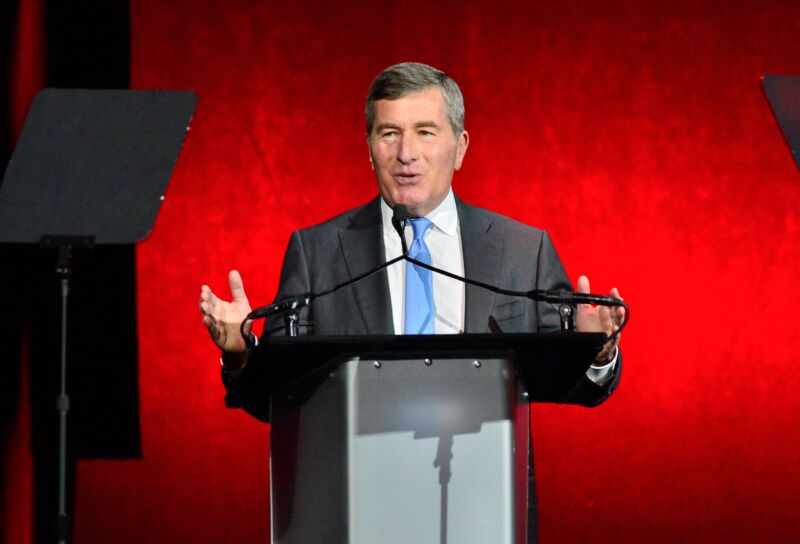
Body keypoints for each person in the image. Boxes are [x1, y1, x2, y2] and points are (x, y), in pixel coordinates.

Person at [199, 62, 624, 540]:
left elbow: (580, 387)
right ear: (369, 148)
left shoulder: (522, 250)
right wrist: (240, 352)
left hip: (485, 510)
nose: (406, 154)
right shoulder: (316, 252)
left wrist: (597, 352)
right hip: (353, 509)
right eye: (389, 134)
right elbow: (279, 401)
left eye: (425, 132)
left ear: (460, 147)